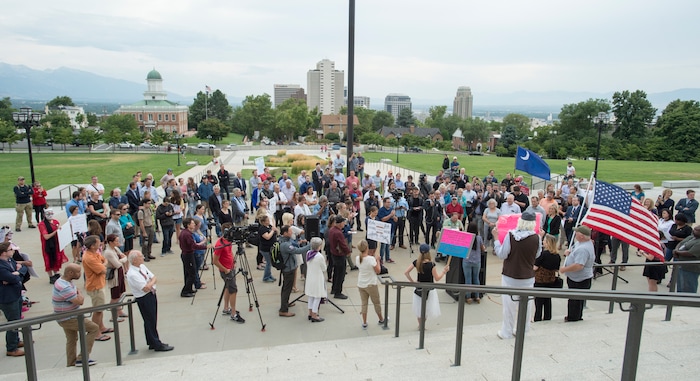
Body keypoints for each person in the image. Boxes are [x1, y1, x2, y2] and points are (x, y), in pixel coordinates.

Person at [492, 211, 542, 339]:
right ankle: (523, 330)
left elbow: (502, 254)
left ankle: (507, 332)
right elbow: (536, 255)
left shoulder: (511, 236)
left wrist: (497, 240)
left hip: (510, 275)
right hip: (528, 276)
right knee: (526, 305)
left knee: (509, 306)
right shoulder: (537, 237)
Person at [52, 263, 100, 366]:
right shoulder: (64, 286)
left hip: (65, 316)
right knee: (94, 328)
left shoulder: (65, 281)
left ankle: (71, 363)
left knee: (72, 339)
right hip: (69, 317)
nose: (80, 274)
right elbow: (79, 301)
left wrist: (78, 293)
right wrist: (80, 294)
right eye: (78, 272)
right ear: (70, 273)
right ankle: (82, 358)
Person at [125, 251, 174, 351]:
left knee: (152, 319)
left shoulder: (142, 267)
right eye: (140, 256)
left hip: (151, 294)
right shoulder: (132, 274)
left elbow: (154, 277)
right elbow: (145, 288)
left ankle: (151, 341)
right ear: (134, 260)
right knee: (149, 320)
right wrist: (151, 283)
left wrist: (150, 283)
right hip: (144, 297)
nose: (142, 257)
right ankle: (156, 343)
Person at [404, 244, 449, 327]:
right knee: (427, 308)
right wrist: (444, 271)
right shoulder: (432, 265)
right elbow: (437, 278)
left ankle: (420, 325)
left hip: (419, 288)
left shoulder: (417, 262)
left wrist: (413, 282)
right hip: (430, 289)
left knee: (419, 308)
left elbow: (406, 272)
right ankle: (422, 325)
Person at [560, 225, 595, 322]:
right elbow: (574, 250)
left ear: (582, 236)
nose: (575, 234)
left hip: (579, 279)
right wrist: (569, 253)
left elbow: (579, 265)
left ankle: (573, 318)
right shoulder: (581, 243)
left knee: (575, 301)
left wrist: (565, 269)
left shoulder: (583, 249)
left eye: (577, 233)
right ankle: (574, 316)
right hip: (576, 278)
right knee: (574, 299)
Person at [81, 235, 111, 341]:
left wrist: (104, 264)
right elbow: (103, 269)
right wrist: (104, 265)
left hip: (100, 283)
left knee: (100, 308)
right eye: (98, 242)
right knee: (97, 310)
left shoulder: (95, 253)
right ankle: (96, 332)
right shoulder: (89, 257)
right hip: (95, 286)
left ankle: (101, 327)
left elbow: (104, 260)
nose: (101, 244)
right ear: (93, 245)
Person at [213, 224, 245, 323]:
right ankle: (233, 313)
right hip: (226, 271)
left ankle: (226, 308)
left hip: (230, 268)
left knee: (228, 288)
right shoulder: (220, 244)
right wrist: (225, 269)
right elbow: (214, 261)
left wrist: (233, 262)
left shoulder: (228, 241)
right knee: (233, 290)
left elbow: (230, 252)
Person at [278, 225, 310, 317]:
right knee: (287, 289)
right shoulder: (285, 245)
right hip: (288, 269)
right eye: (289, 231)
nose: (291, 233)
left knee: (286, 288)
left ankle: (285, 303)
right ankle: (283, 310)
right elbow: (298, 251)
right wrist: (310, 245)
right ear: (285, 233)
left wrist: (300, 242)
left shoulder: (284, 240)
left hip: (288, 268)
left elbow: (295, 244)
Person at [0, 241, 25, 357]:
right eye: (11, 250)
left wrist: (16, 273)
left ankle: (16, 340)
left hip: (16, 293)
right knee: (13, 322)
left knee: (17, 318)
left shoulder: (10, 260)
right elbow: (11, 278)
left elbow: (22, 270)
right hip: (8, 297)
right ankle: (11, 348)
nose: (13, 251)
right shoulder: (1, 266)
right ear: (3, 253)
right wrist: (14, 275)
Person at [356, 239, 385, 329]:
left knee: (364, 303)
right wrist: (378, 260)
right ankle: (381, 319)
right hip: (371, 283)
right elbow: (378, 271)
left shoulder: (358, 258)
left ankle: (364, 322)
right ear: (367, 248)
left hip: (361, 283)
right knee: (376, 302)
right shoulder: (371, 259)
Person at [533, 234, 562, 322]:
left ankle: (537, 318)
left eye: (544, 240)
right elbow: (557, 269)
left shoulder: (543, 254)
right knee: (547, 300)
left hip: (540, 280)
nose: (543, 242)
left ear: (548, 242)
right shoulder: (557, 256)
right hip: (551, 281)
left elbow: (535, 267)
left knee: (538, 302)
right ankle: (547, 317)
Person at [178, 218, 209, 297]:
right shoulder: (187, 234)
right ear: (188, 225)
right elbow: (193, 246)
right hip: (188, 255)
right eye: (192, 223)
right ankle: (185, 291)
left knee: (188, 273)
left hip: (186, 254)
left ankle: (189, 289)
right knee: (192, 273)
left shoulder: (185, 233)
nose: (194, 224)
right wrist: (205, 247)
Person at [38, 209, 68, 284]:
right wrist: (56, 231)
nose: (50, 215)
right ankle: (51, 276)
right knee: (48, 259)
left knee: (57, 258)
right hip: (48, 245)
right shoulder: (42, 224)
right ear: (44, 215)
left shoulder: (55, 222)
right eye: (48, 214)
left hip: (56, 243)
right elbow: (46, 237)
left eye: (51, 213)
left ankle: (56, 273)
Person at [103, 234, 129, 320]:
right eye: (116, 241)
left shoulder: (115, 249)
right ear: (110, 242)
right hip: (115, 276)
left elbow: (124, 257)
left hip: (120, 273)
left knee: (120, 293)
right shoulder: (108, 252)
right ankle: (113, 316)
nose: (118, 242)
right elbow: (118, 264)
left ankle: (119, 311)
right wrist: (123, 259)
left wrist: (122, 259)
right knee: (115, 296)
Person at [329, 216, 351, 299]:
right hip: (339, 255)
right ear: (340, 223)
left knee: (336, 273)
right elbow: (343, 244)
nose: (344, 224)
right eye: (343, 223)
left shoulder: (332, 230)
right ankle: (338, 292)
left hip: (333, 254)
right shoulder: (338, 233)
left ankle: (334, 289)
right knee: (341, 274)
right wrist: (348, 252)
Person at [673, 225, 700, 293]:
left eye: (697, 231)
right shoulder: (691, 237)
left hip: (690, 268)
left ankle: (689, 301)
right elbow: (680, 243)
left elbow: (690, 253)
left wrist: (677, 252)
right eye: (694, 229)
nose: (694, 231)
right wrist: (676, 250)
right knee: (680, 285)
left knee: (689, 286)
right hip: (681, 265)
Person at [462, 222, 484, 303]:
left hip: (467, 261)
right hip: (477, 261)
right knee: (476, 278)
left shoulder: (466, 237)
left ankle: (468, 297)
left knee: (468, 279)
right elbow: (483, 248)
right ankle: (477, 296)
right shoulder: (479, 238)